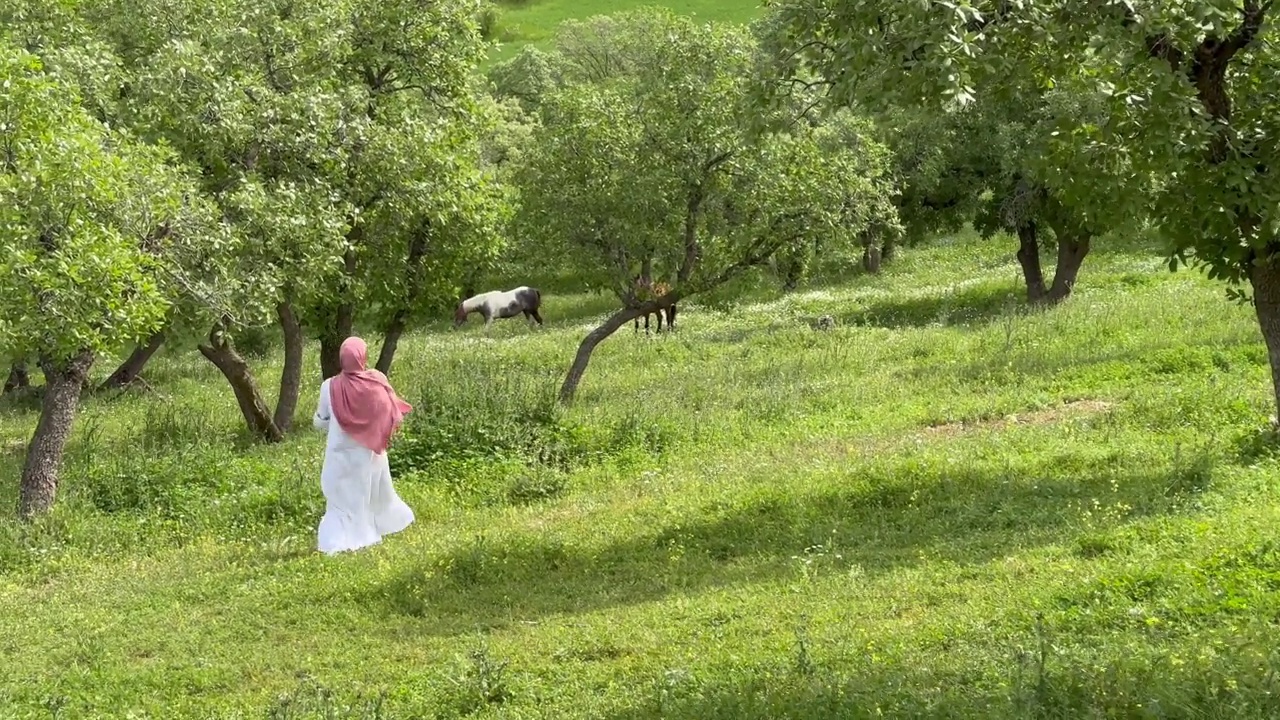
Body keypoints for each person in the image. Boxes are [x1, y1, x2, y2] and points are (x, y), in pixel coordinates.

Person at [312, 336, 416, 554]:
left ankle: (336, 541)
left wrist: (333, 420)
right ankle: (367, 532)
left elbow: (319, 423)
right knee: (365, 500)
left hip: (339, 458)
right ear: (363, 357)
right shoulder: (377, 382)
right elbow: (389, 412)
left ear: (342, 359)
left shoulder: (329, 386)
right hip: (370, 457)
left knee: (340, 504)